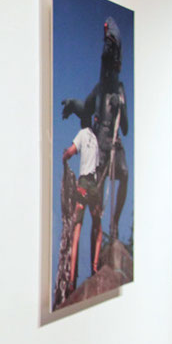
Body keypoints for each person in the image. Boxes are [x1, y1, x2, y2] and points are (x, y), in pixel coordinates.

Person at [61, 17, 129, 239]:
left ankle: (115, 223)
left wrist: (121, 106)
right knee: (95, 207)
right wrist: (74, 104)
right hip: (99, 150)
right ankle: (94, 249)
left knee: (124, 174)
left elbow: (126, 128)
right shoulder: (99, 89)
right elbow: (87, 108)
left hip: (114, 145)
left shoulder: (120, 90)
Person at [61, 118, 103, 290]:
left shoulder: (82, 134)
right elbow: (97, 166)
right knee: (98, 230)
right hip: (93, 187)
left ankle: (71, 280)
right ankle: (95, 267)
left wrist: (64, 157)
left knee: (76, 232)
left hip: (83, 185)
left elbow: (71, 151)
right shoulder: (96, 141)